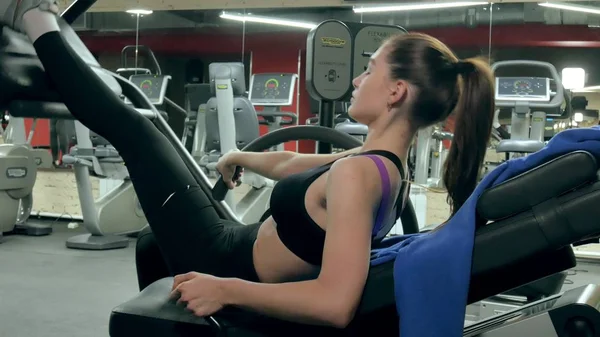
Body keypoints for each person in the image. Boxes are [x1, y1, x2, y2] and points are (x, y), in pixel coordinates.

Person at [2, 0, 494, 328]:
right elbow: (292, 162)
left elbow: (334, 302)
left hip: (224, 257)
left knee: (134, 128)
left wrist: (226, 289)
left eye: (369, 70)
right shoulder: (381, 164)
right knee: (153, 243)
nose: (357, 79)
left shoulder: (359, 175)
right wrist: (243, 156)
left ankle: (31, 14)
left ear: (395, 92)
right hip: (234, 243)